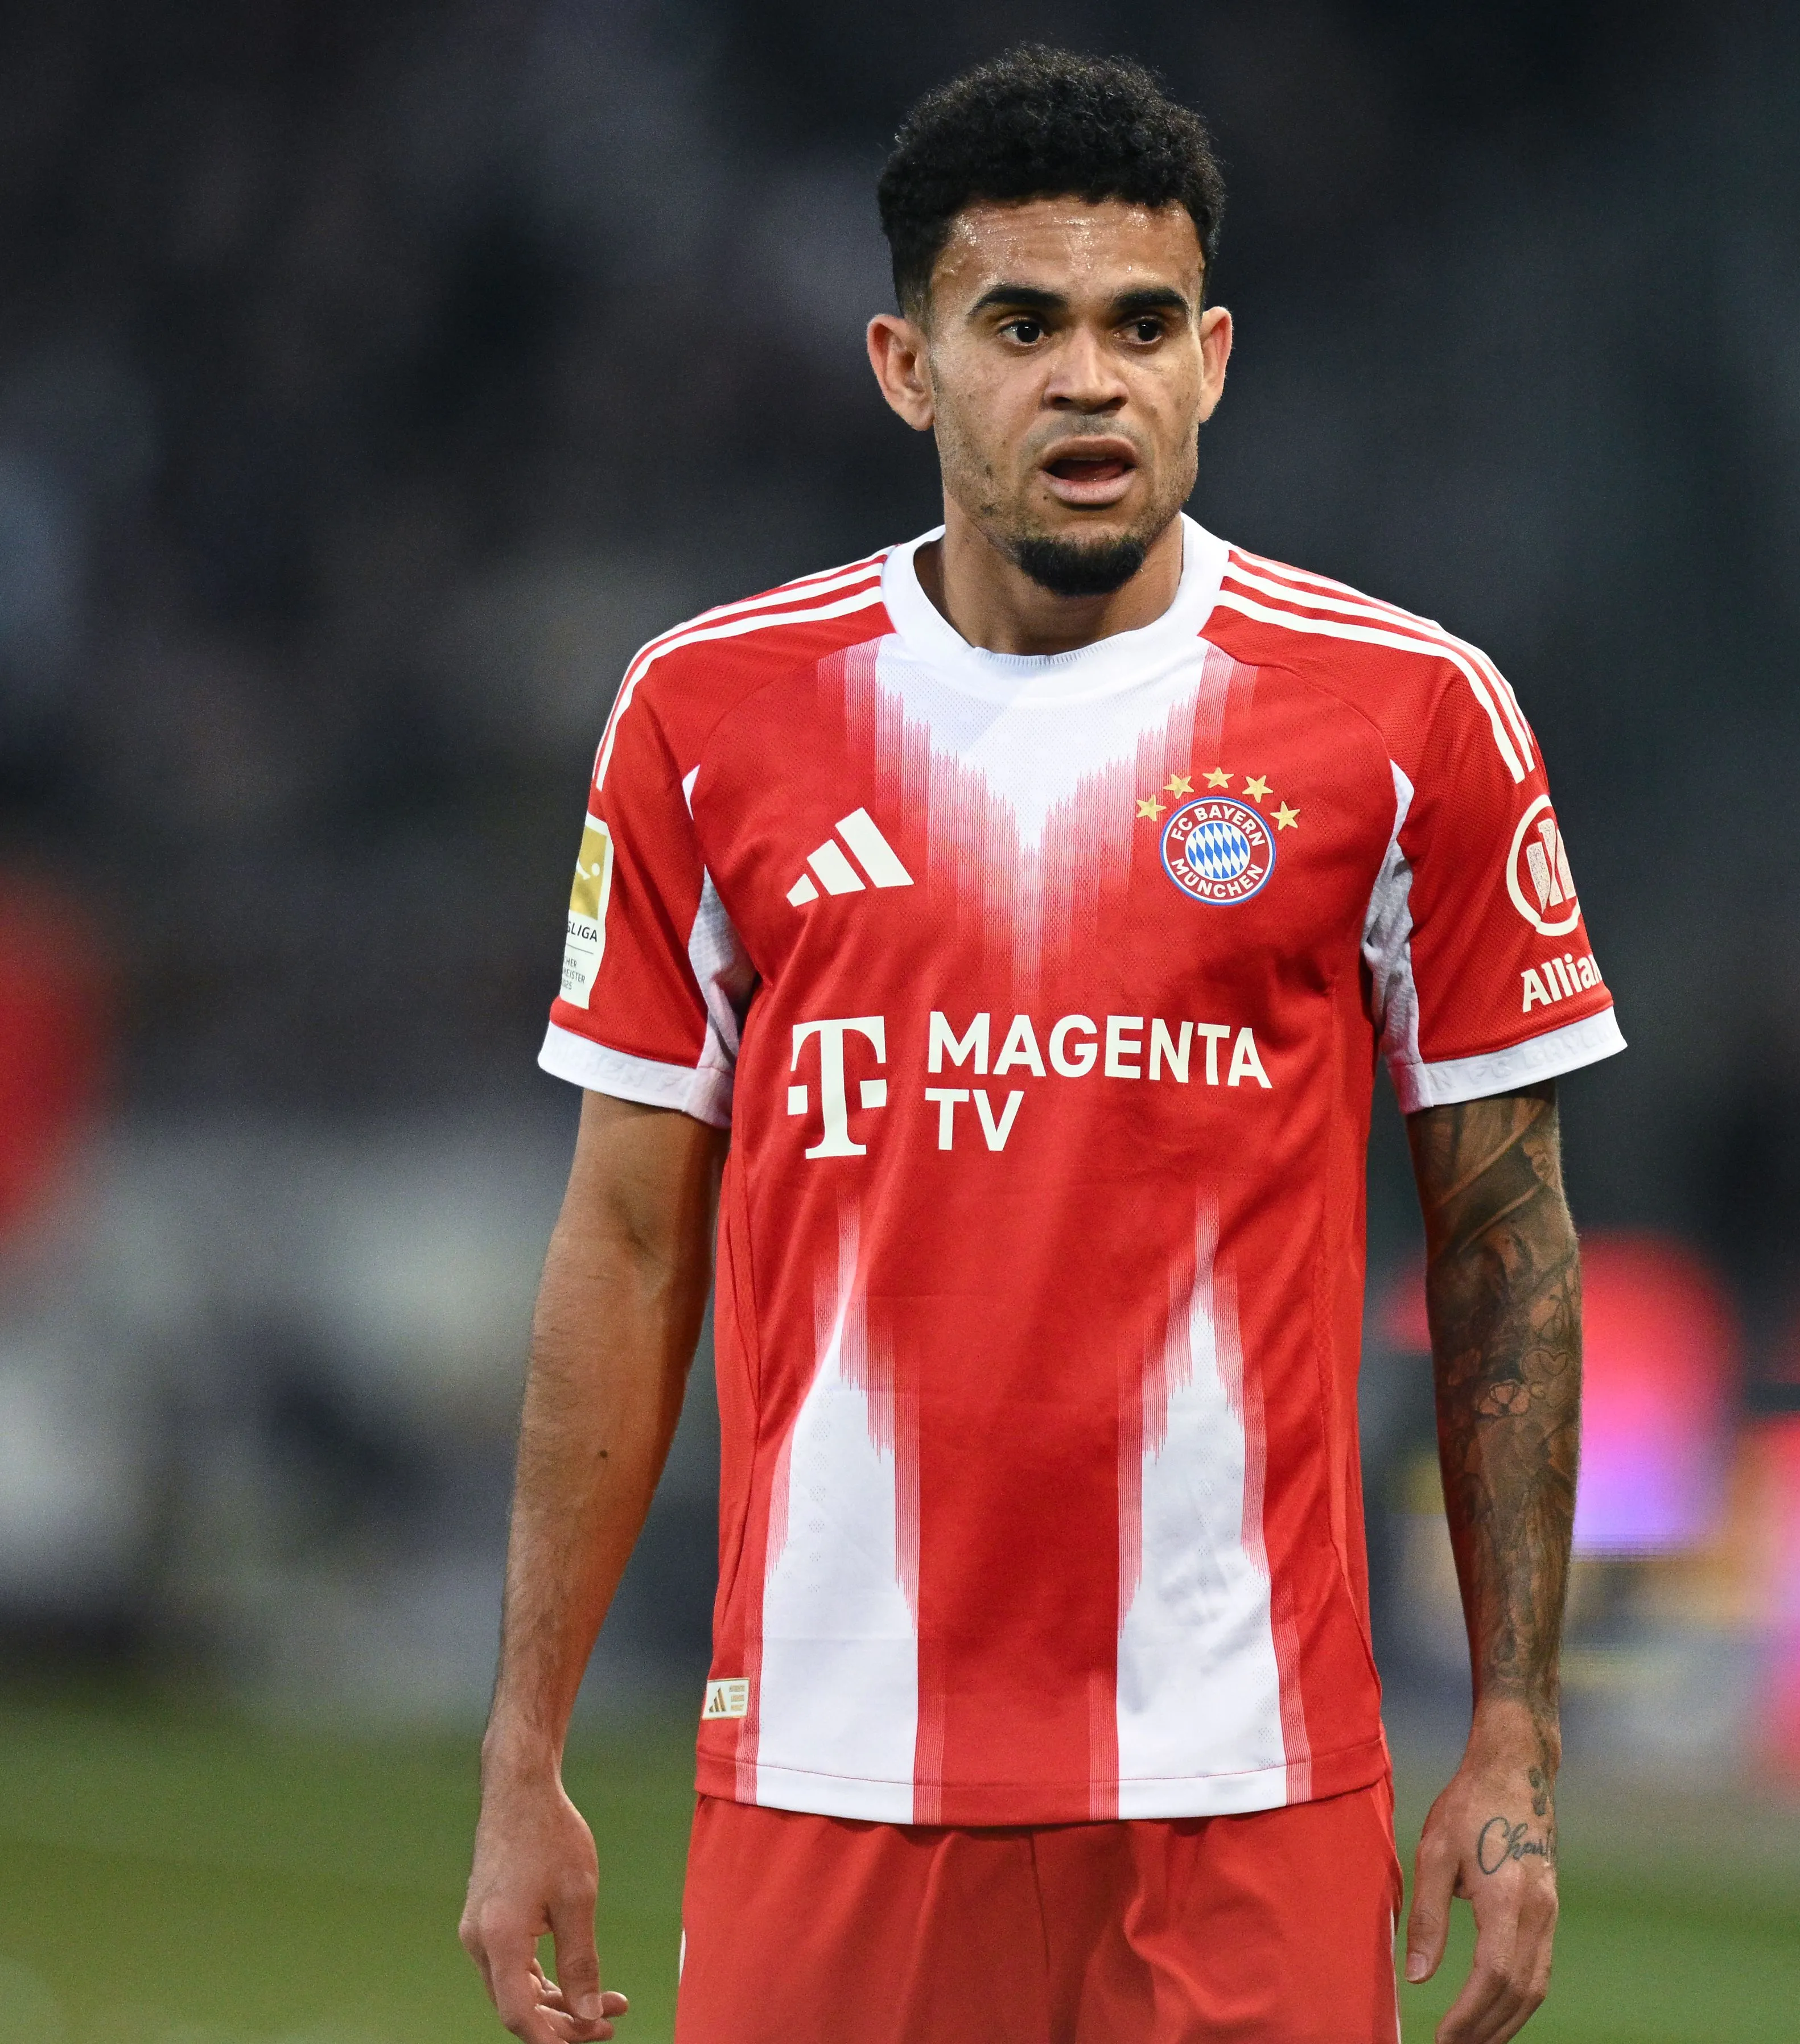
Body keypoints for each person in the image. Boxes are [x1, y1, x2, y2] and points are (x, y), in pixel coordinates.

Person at [458, 46, 1619, 2044]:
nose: (1091, 378)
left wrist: (1512, 1749)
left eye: (1142, 325)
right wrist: (524, 1743)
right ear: (909, 364)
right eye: (1024, 325)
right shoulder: (707, 715)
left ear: (1218, 357)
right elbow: (629, 1246)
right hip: (831, 1767)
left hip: (1247, 1788)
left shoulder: (1410, 721)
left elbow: (1506, 1243)